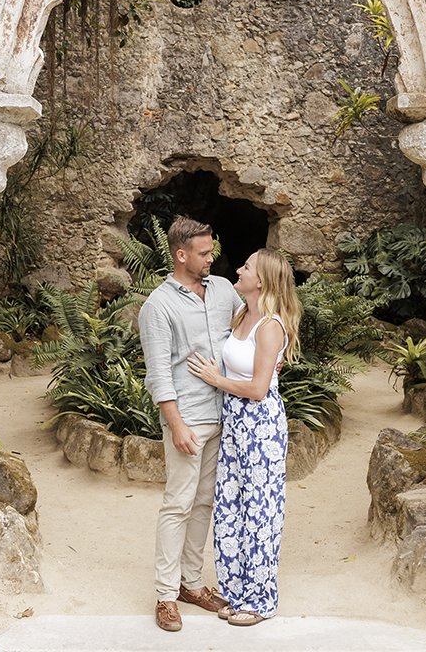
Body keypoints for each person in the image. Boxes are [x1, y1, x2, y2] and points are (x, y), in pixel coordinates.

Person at [137, 215, 243, 632]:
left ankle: (192, 584)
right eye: (203, 253)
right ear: (181, 255)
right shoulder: (157, 306)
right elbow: (159, 373)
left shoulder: (222, 291)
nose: (211, 257)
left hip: (225, 414)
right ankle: (165, 594)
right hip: (190, 420)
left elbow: (248, 328)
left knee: (204, 503)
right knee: (178, 504)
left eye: (211, 249)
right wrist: (176, 424)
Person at [186, 247, 301, 627]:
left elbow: (258, 389)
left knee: (260, 511)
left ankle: (261, 599)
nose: (238, 268)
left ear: (262, 280)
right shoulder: (242, 313)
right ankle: (237, 592)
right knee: (231, 508)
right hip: (234, 424)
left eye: (247, 266)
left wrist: (215, 379)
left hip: (260, 427)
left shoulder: (270, 326)